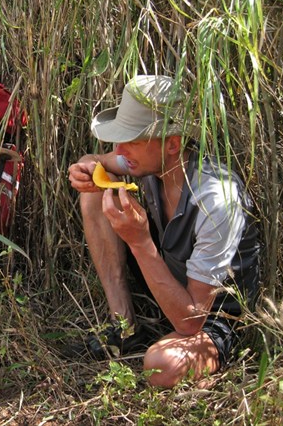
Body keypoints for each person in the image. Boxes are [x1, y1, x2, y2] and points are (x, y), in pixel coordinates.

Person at [67, 75, 259, 388]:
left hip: (213, 314)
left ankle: (211, 360)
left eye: (133, 139)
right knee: (93, 192)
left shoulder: (216, 199)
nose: (120, 149)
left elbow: (192, 319)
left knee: (160, 366)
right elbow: (96, 162)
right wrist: (86, 168)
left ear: (173, 143)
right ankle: (124, 328)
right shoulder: (148, 160)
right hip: (170, 282)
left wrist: (140, 241)